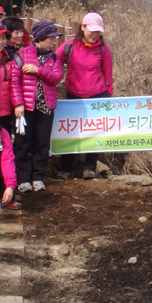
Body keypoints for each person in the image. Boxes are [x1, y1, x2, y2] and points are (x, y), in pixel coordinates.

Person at [55, 12, 114, 180]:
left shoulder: (103, 48)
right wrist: (58, 75)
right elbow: (56, 60)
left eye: (98, 31)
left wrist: (108, 95)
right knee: (71, 131)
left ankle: (89, 167)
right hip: (74, 96)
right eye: (91, 30)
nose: (95, 34)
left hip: (98, 95)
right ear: (83, 27)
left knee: (95, 131)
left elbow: (108, 73)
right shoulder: (70, 45)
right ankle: (66, 168)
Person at [11, 19, 64, 193]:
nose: (54, 41)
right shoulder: (22, 55)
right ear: (41, 37)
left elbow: (56, 77)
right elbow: (14, 82)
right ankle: (23, 178)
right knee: (23, 143)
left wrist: (38, 70)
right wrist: (18, 104)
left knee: (42, 143)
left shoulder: (54, 57)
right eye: (51, 38)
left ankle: (38, 177)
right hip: (25, 108)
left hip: (46, 107)